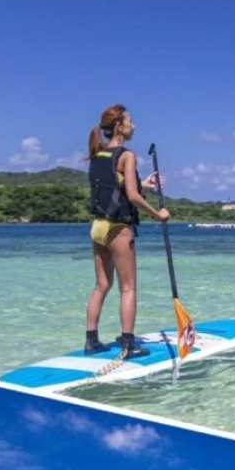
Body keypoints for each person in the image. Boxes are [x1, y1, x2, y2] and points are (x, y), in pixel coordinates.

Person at [84, 104, 171, 360]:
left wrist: (143, 183)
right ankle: (128, 343)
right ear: (120, 127)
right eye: (131, 121)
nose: (134, 126)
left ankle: (91, 340)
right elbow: (131, 197)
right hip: (119, 229)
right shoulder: (127, 155)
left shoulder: (97, 155)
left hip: (98, 227)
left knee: (101, 285)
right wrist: (158, 215)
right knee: (129, 288)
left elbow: (116, 187)